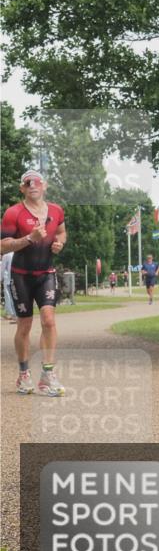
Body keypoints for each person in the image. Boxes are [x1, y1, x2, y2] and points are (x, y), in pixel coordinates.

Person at [0, 170, 67, 396]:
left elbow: (61, 232)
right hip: (21, 275)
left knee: (49, 320)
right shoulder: (13, 212)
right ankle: (23, 374)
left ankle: (47, 375)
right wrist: (29, 238)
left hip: (46, 273)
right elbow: (2, 245)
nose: (33, 185)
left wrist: (59, 243)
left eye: (37, 182)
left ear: (45, 185)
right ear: (22, 188)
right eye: (27, 183)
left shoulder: (56, 210)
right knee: (25, 326)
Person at [2, 251, 16, 322]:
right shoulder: (16, 253)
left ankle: (13, 315)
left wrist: (0, 279)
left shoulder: (6, 255)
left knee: (10, 298)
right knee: (16, 298)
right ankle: (15, 315)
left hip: (8, 280)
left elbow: (2, 269)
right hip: (18, 279)